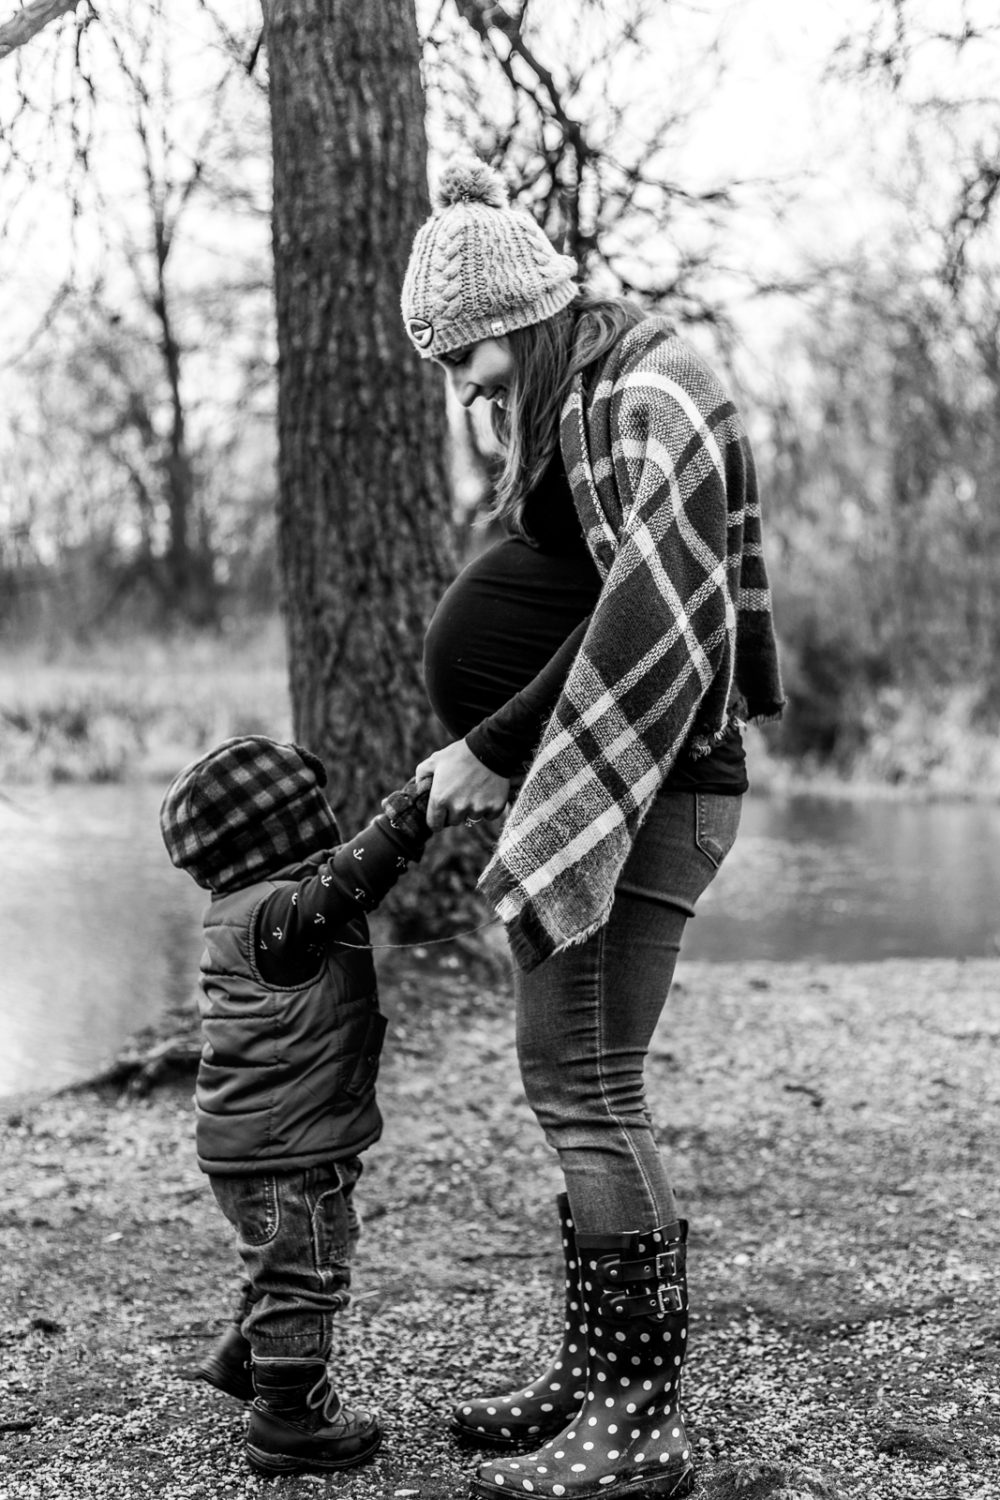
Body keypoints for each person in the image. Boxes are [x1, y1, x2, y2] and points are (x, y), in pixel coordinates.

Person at [401, 159, 784, 1500]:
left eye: (472, 360)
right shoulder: (585, 401)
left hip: (651, 792)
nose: (466, 394)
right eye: (448, 373)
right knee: (588, 1081)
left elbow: (650, 623)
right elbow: (593, 582)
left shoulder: (640, 396)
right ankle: (600, 1374)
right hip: (644, 790)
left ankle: (640, 1420)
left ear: (529, 310)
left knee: (583, 1085)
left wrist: (489, 748)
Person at [158, 735, 431, 1479]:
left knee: (283, 1258)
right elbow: (351, 881)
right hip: (284, 1147)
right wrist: (410, 817)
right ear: (275, 832)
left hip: (272, 1141)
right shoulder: (274, 918)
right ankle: (291, 1420)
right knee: (302, 1275)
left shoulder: (244, 909)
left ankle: (243, 1358)